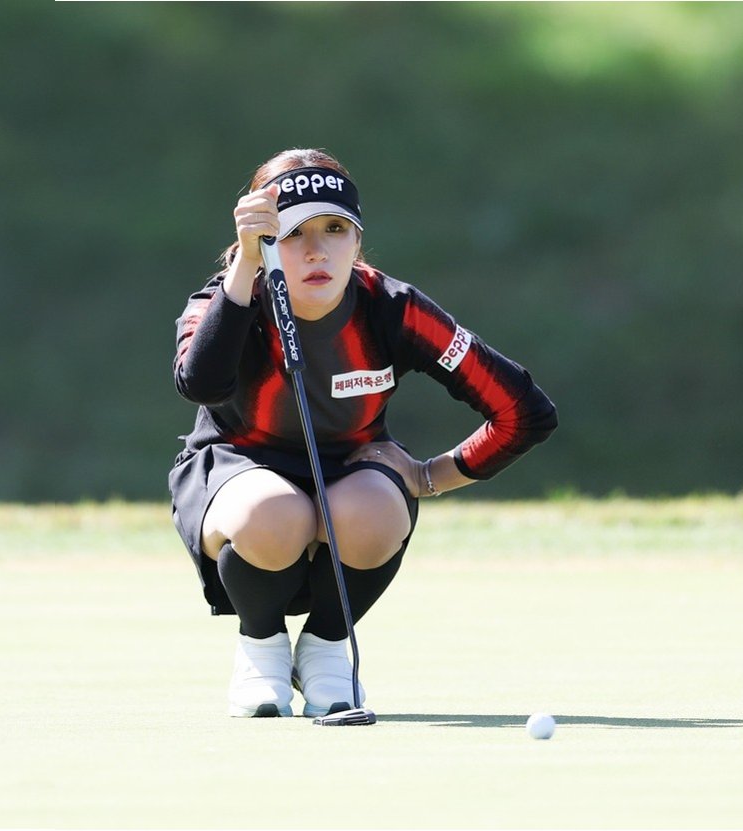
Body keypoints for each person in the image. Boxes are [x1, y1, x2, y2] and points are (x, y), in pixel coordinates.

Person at [169, 148, 558, 718]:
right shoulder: (225, 297)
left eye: (335, 229)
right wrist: (246, 267)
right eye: (293, 233)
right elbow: (201, 383)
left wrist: (429, 476)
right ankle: (261, 647)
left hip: (351, 472)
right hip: (237, 471)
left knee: (375, 509)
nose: (317, 250)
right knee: (272, 511)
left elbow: (523, 411)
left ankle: (327, 648)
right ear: (263, 241)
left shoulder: (392, 308)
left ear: (357, 240)